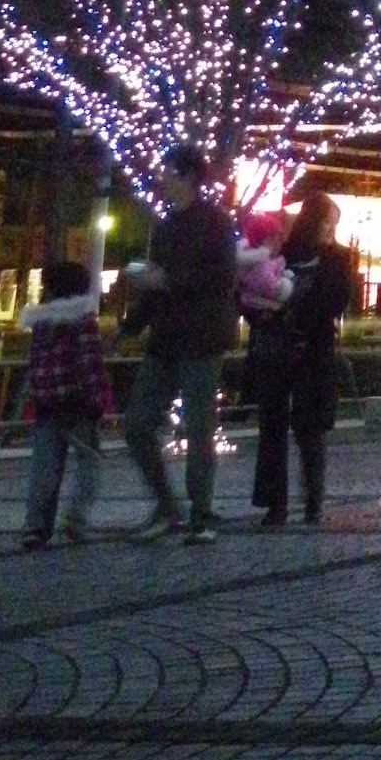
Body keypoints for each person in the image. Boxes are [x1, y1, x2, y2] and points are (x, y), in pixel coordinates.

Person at [121, 141, 239, 540]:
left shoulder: (217, 223)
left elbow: (222, 278)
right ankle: (167, 505)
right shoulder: (167, 225)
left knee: (199, 427)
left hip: (202, 338)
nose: (162, 179)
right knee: (137, 423)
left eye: (168, 172)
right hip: (165, 338)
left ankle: (200, 515)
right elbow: (158, 285)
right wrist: (129, 325)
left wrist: (167, 280)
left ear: (187, 176)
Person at [253, 193, 355, 524]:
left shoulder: (338, 258)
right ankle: (275, 503)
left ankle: (313, 500)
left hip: (315, 349)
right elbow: (255, 288)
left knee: (310, 427)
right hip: (276, 347)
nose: (331, 229)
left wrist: (296, 311)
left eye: (335, 223)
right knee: (272, 424)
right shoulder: (284, 252)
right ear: (312, 220)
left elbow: (336, 301)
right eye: (327, 221)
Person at [20, 258, 110, 548]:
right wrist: (98, 400)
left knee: (44, 467)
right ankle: (75, 518)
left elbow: (35, 364)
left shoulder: (40, 321)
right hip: (77, 403)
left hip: (47, 404)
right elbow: (89, 362)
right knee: (90, 461)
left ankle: (35, 526)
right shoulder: (82, 320)